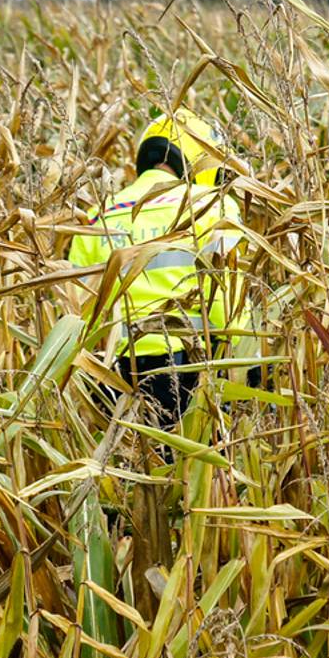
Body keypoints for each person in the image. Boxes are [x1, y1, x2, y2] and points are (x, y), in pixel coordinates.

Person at [68, 107, 244, 426]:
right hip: (188, 366)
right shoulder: (210, 205)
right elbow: (227, 298)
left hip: (114, 373)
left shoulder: (98, 216)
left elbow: (77, 307)